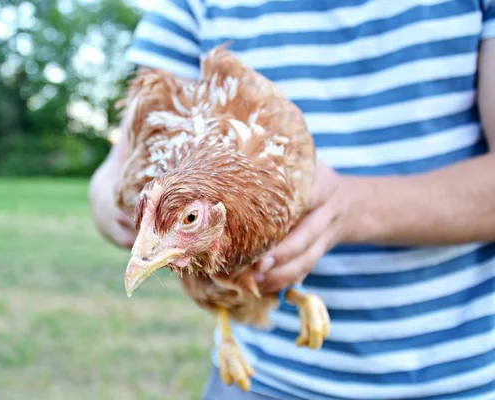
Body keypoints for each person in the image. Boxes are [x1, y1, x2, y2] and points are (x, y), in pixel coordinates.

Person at [89, 0, 495, 398]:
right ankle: (232, 319)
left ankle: (292, 294)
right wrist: (118, 203)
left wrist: (350, 209)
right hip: (260, 378)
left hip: (457, 374)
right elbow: (124, 157)